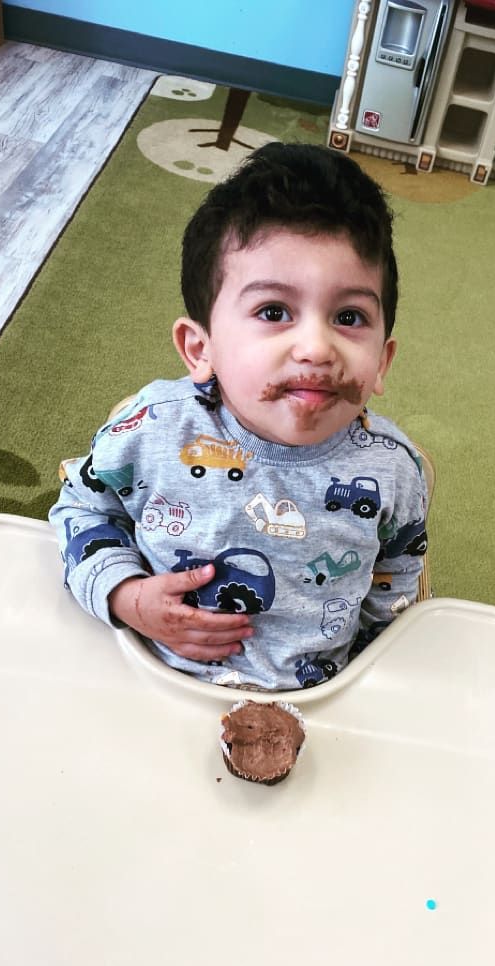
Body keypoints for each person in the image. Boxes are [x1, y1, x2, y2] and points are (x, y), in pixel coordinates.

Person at [49, 142, 428, 691]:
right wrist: (125, 596)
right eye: (274, 311)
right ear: (201, 349)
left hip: (321, 703)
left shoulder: (393, 473)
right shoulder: (153, 430)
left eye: (349, 316)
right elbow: (80, 507)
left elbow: (395, 586)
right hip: (149, 678)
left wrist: (369, 682)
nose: (316, 348)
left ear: (382, 361)